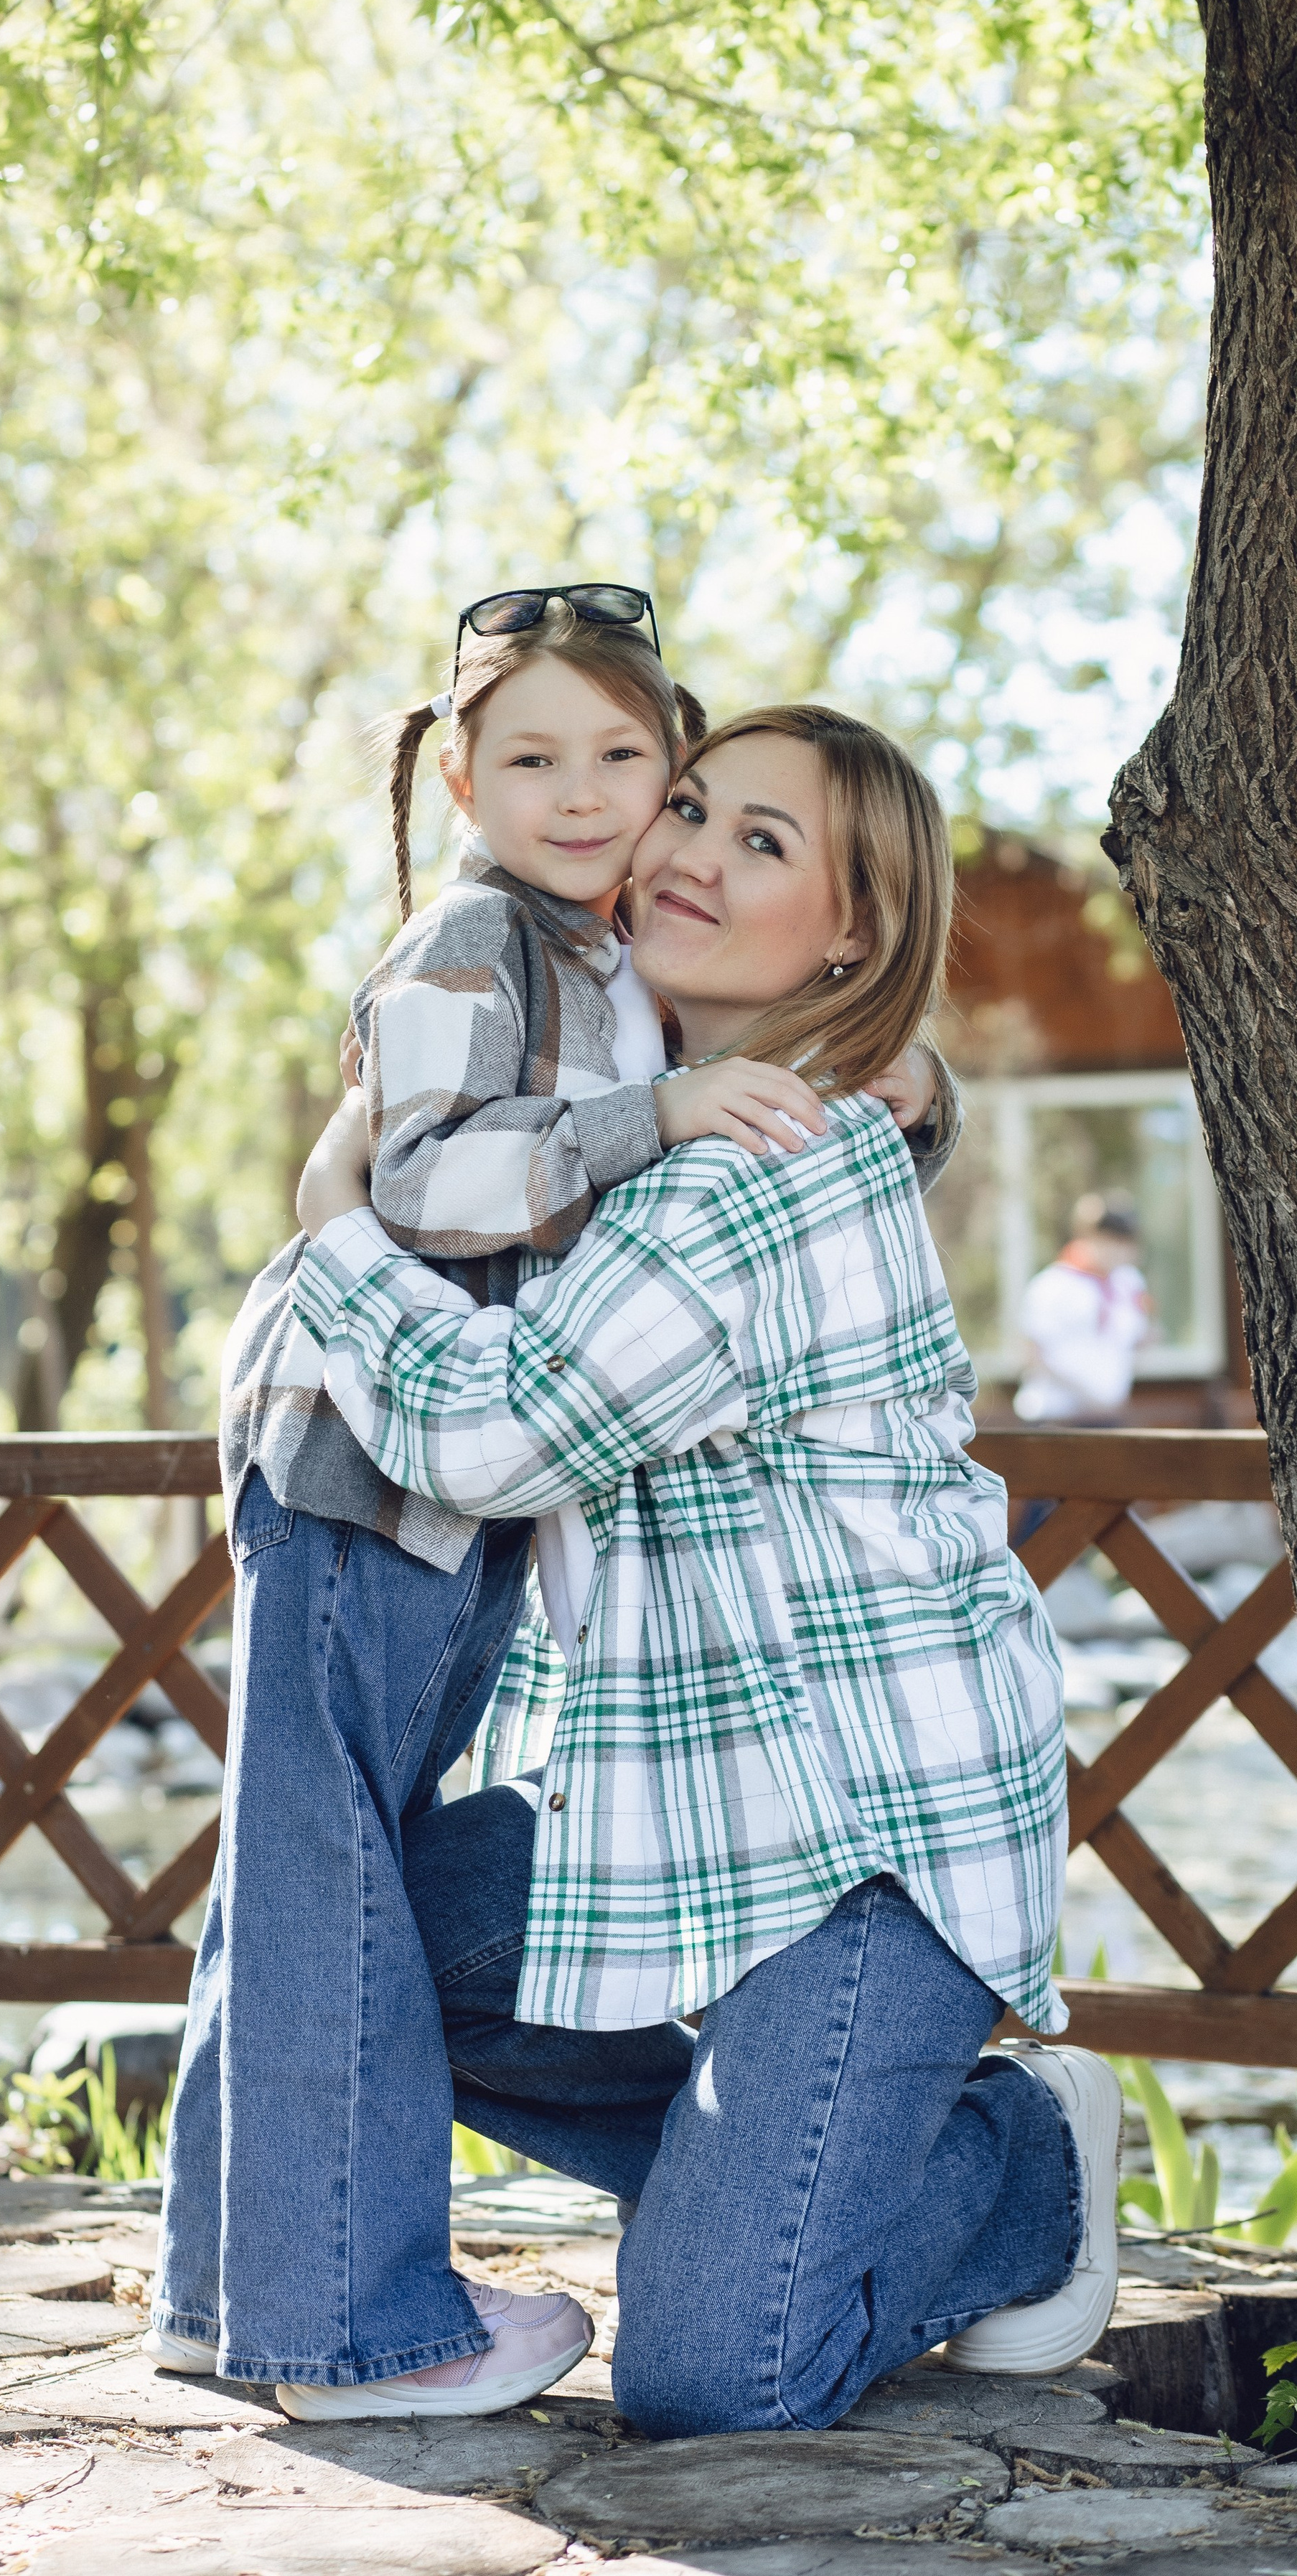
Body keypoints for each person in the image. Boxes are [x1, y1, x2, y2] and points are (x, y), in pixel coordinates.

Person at [149, 593, 952, 2408]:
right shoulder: (494, 948)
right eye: (539, 761)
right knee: (320, 1867)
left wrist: (905, 1080)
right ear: (460, 780)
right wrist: (626, 1128)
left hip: (549, 1571)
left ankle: (232, 2285)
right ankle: (334, 2317)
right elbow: (425, 1183)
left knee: (313, 1868)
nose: (606, 809)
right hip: (370, 1476)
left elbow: (783, 1084)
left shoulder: (634, 1000)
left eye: (634, 766)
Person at [287, 703, 1122, 2437]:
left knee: (714, 2377)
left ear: (850, 933)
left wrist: (335, 1235)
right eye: (686, 808)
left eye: (761, 842)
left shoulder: (754, 1171)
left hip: (864, 1842)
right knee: (363, 1938)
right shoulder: (659, 1122)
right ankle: (770, 2190)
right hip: (685, 1806)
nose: (685, 854)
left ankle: (1017, 2152)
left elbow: (491, 1436)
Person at [1014, 1191, 1153, 1424]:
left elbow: (1135, 1338)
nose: (1116, 1248)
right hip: (1055, 1418)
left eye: (1123, 1240)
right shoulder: (1052, 1284)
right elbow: (1032, 1352)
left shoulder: (1129, 1283)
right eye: (1107, 1238)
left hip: (1108, 1417)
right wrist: (1088, 1392)